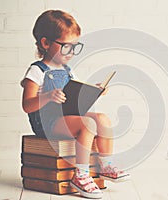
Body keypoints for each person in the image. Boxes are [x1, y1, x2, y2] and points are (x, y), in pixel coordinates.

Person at [21, 10, 130, 199]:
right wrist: (47, 96)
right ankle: (81, 175)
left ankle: (105, 164)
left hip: (66, 117)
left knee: (102, 119)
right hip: (48, 124)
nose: (71, 52)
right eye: (66, 46)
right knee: (87, 125)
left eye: (74, 46)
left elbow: (74, 96)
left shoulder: (67, 70)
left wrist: (93, 91)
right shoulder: (36, 71)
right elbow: (27, 105)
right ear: (46, 43)